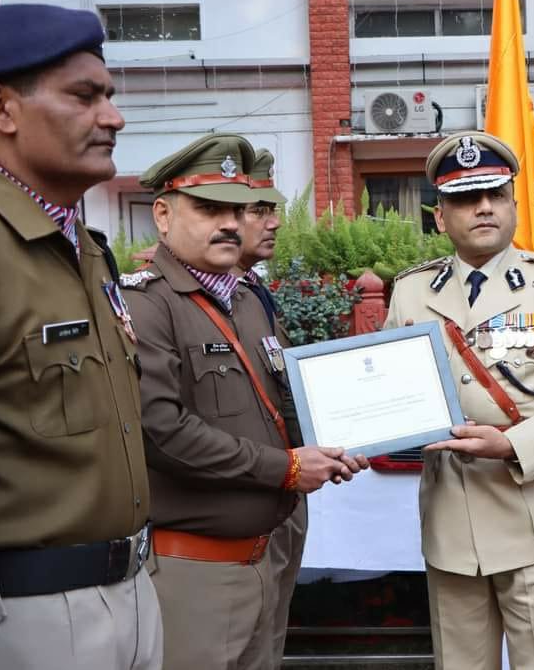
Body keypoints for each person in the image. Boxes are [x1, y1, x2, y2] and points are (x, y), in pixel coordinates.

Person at [121, 133, 368, 670]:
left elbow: (279, 402)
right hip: (195, 571)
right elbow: (161, 430)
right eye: (209, 207)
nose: (230, 222)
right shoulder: (146, 304)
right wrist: (287, 469)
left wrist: (345, 438)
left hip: (259, 559)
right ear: (162, 215)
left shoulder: (244, 300)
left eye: (237, 208)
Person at [385, 131, 534, 670]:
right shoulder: (412, 292)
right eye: (466, 198)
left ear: (515, 205)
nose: (483, 207)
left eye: (495, 194)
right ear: (440, 217)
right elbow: (397, 391)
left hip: (530, 512)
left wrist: (514, 444)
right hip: (450, 519)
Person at [0, 4, 162, 669]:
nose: (113, 117)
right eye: (84, 97)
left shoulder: (80, 245)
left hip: (131, 590)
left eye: (109, 97)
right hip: (28, 613)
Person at [232, 148, 309, 666]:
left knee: (270, 638)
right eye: (259, 210)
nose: (274, 222)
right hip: (239, 506)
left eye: (272, 209)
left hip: (283, 495)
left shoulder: (253, 291)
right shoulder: (187, 299)